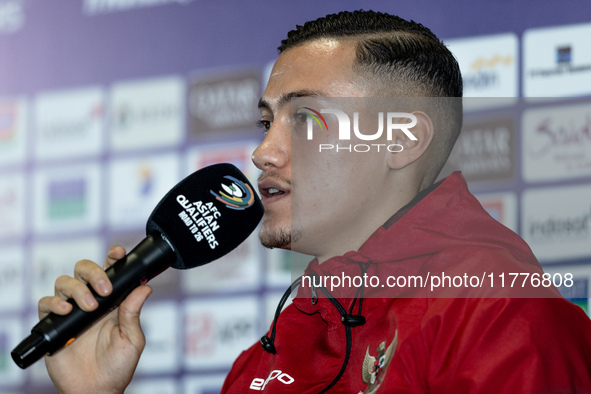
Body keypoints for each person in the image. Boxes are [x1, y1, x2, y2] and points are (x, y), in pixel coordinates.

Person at [39, 10, 591, 393]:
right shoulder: (276, 347)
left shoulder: (498, 313)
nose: (262, 152)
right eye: (266, 121)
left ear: (400, 140)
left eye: (305, 118)